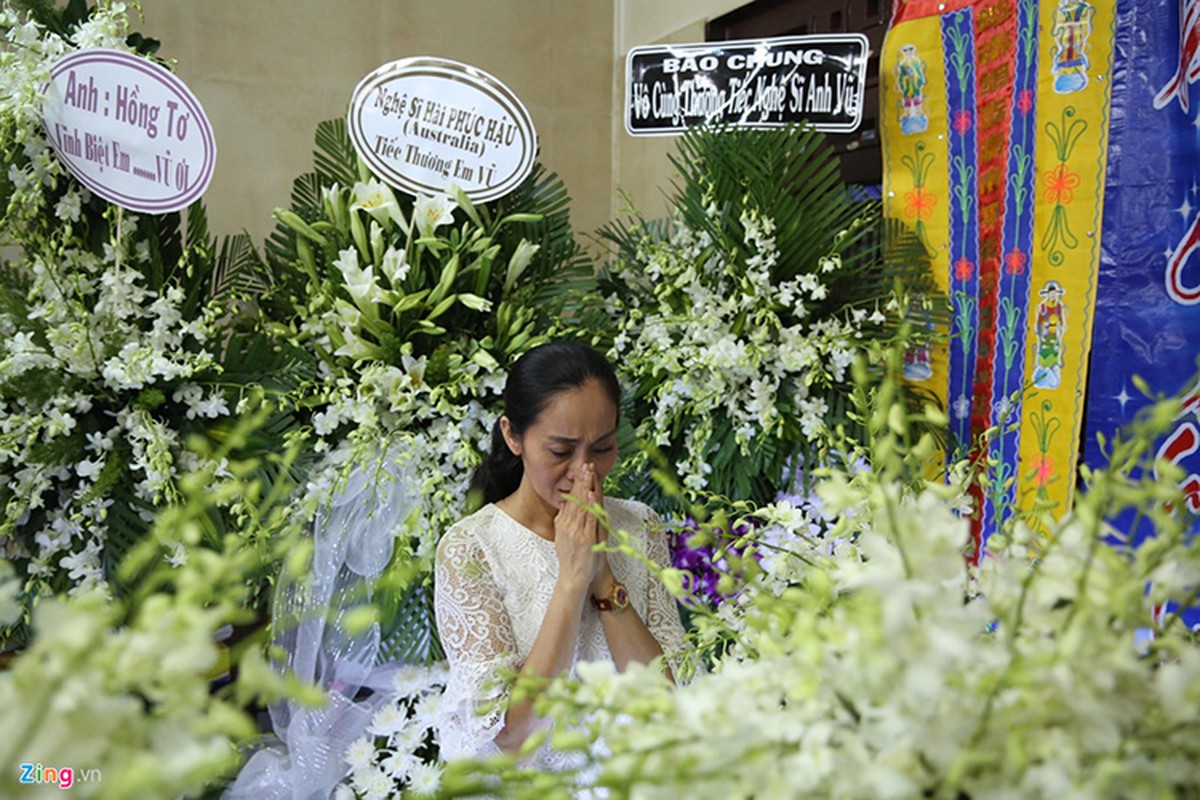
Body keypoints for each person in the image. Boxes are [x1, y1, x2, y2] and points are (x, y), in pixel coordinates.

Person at [434, 341, 687, 766]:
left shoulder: (639, 525)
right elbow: (512, 736)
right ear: (513, 436)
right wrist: (572, 579)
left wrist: (603, 574)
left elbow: (668, 707)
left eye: (602, 448)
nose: (584, 472)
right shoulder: (470, 550)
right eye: (560, 451)